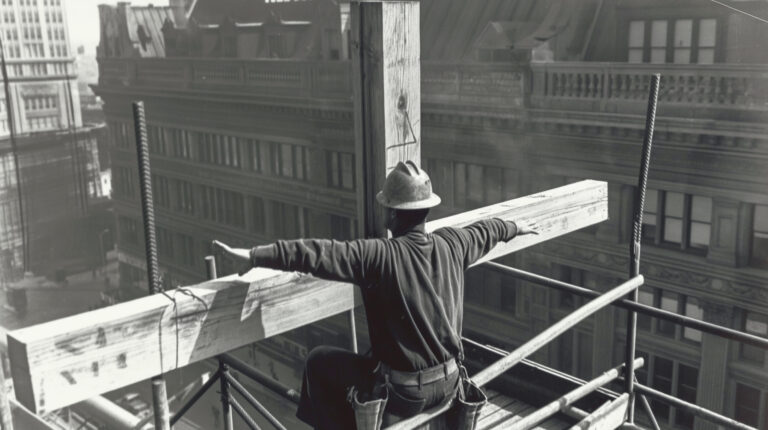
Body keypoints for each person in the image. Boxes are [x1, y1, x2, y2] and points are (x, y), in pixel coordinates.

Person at [214, 161, 538, 429]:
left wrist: (255, 256)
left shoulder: (379, 255)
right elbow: (488, 229)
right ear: (426, 210)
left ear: (393, 215)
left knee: (318, 362)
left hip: (406, 393)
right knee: (370, 359)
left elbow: (315, 253)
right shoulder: (454, 243)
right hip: (451, 382)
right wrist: (516, 226)